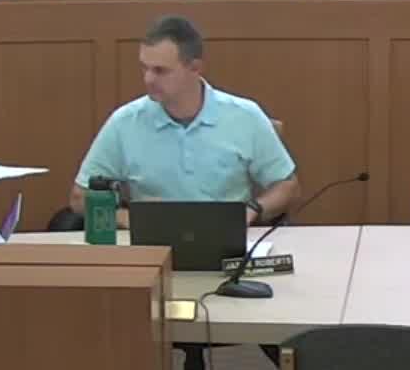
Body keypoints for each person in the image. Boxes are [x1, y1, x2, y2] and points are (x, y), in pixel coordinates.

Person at [70, 15, 300, 227]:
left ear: (195, 68)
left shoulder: (245, 116)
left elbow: (287, 186)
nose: (148, 79)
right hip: (155, 243)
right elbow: (80, 197)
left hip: (225, 239)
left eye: (160, 71)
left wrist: (252, 211)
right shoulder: (125, 122)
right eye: (144, 68)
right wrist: (130, 219)